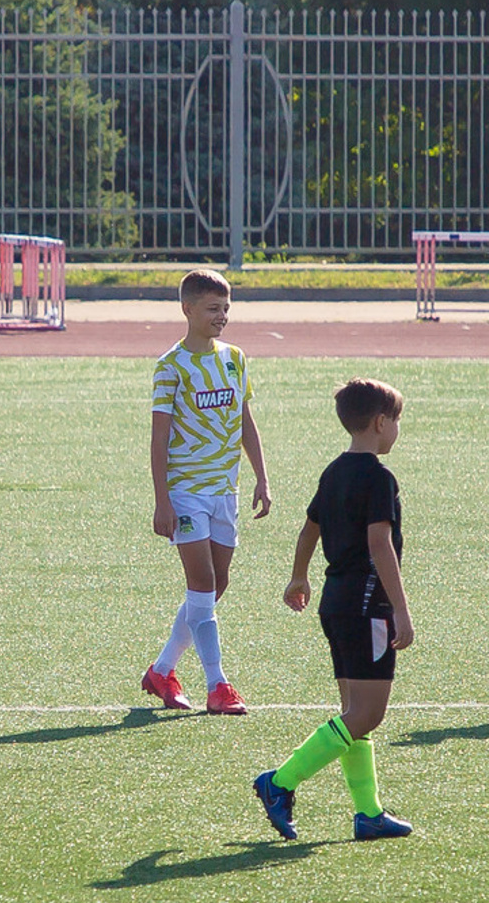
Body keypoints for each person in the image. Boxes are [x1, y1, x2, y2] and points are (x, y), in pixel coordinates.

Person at [255, 379, 414, 842]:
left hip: (335, 601)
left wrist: (298, 575)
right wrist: (401, 610)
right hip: (368, 605)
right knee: (367, 714)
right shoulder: (379, 477)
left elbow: (310, 528)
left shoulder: (334, 471)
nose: (397, 430)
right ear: (381, 423)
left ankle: (368, 813)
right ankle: (280, 782)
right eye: (397, 421)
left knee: (352, 711)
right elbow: (379, 543)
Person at [141, 268, 272, 716]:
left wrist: (261, 476)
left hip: (225, 490)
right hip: (186, 493)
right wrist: (162, 499)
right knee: (202, 582)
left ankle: (161, 671)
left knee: (216, 585)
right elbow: (159, 438)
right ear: (188, 309)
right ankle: (218, 685)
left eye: (226, 309)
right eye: (213, 309)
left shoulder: (234, 357)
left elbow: (244, 420)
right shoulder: (170, 366)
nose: (222, 317)